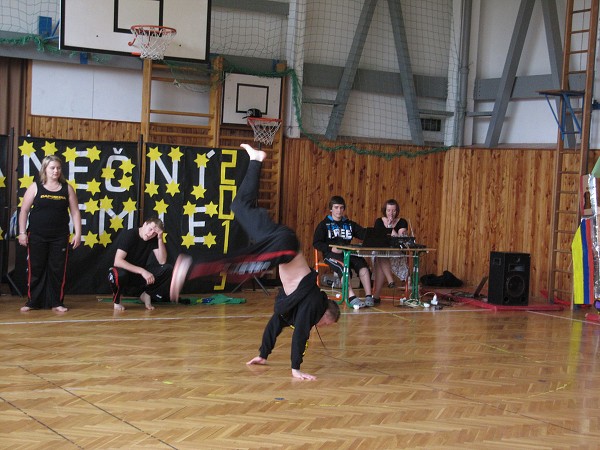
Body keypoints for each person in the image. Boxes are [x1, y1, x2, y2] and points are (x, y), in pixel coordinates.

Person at [170, 143, 340, 380]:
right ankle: (191, 266)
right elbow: (301, 333)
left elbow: (275, 324)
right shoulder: (314, 304)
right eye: (325, 325)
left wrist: (263, 354)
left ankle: (256, 160)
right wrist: (296, 369)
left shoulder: (294, 305)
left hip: (277, 238)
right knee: (241, 265)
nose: (320, 327)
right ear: (325, 315)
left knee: (239, 206)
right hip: (285, 247)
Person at [17, 155, 82, 312]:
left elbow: (75, 212)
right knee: (36, 268)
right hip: (37, 235)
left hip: (59, 237)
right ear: (45, 169)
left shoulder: (67, 188)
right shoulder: (35, 187)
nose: (56, 171)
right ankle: (33, 302)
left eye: (58, 168)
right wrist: (22, 232)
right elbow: (24, 211)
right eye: (52, 168)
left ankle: (57, 302)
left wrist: (78, 233)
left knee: (57, 269)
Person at [313, 196, 374, 307]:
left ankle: (369, 296)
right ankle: (351, 297)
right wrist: (331, 248)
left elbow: (363, 234)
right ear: (331, 209)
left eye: (341, 208)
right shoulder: (323, 225)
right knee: (343, 267)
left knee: (363, 265)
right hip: (331, 255)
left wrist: (376, 233)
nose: (339, 210)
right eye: (336, 207)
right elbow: (316, 243)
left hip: (348, 253)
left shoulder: (349, 224)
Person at [108, 217, 173, 311]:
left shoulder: (153, 238)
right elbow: (117, 261)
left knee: (167, 268)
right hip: (124, 273)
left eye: (155, 233)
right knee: (118, 274)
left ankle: (146, 294)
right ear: (145, 224)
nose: (151, 234)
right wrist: (142, 271)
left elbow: (162, 261)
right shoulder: (130, 234)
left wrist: (159, 238)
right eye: (150, 229)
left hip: (139, 276)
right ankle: (117, 301)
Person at [372, 199, 409, 303]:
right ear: (385, 210)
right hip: (382, 251)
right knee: (380, 255)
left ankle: (376, 295)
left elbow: (399, 239)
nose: (391, 213)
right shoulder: (379, 221)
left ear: (397, 211)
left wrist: (390, 227)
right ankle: (390, 281)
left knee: (380, 257)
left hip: (396, 254)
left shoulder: (402, 222)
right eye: (389, 210)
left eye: (393, 211)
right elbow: (378, 238)